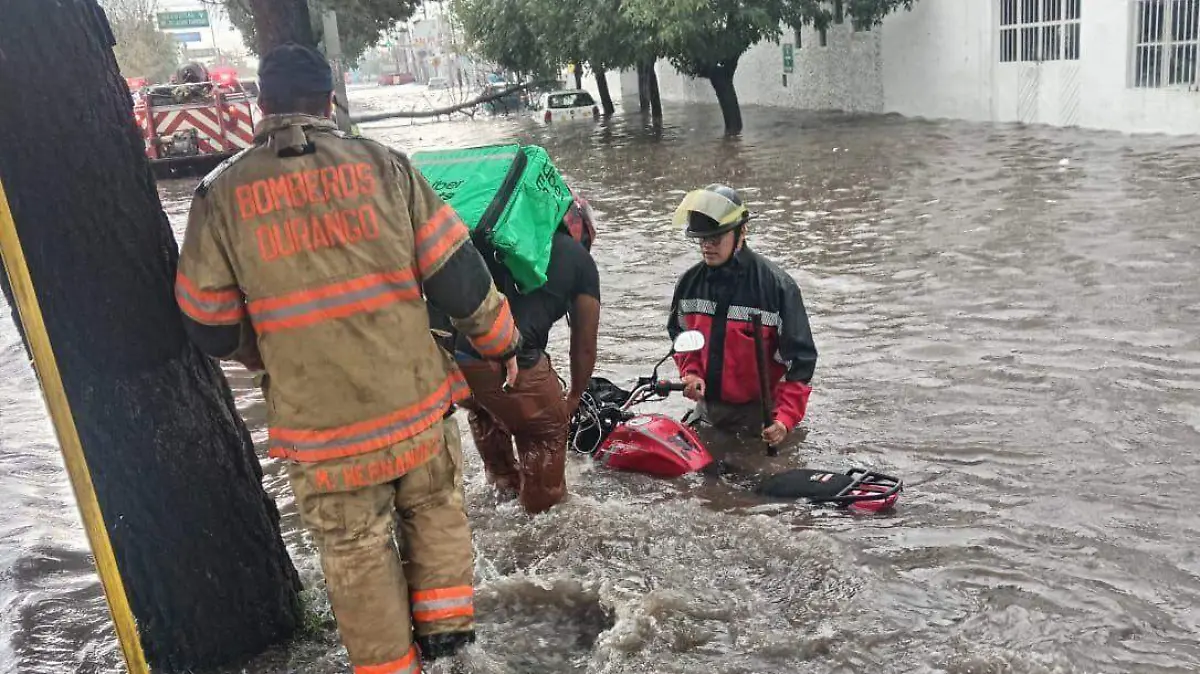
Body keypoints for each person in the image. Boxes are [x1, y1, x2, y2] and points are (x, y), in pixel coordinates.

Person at [174, 42, 520, 673]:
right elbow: (457, 277)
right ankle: (452, 649)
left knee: (354, 550)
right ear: (329, 102)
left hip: (322, 430)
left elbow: (209, 326)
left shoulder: (219, 195)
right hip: (413, 407)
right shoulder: (386, 167)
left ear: (262, 106)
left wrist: (268, 348)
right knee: (434, 507)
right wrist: (504, 345)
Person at [440, 190, 601, 515]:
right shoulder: (580, 260)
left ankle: (500, 490)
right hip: (511, 359)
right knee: (545, 433)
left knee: (485, 410)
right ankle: (537, 537)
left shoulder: (499, 240)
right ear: (580, 227)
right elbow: (583, 345)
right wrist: (572, 397)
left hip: (457, 362)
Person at [667, 184, 818, 449]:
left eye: (715, 238)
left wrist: (784, 420)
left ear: (741, 232)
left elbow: (801, 362)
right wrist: (691, 374)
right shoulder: (689, 284)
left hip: (762, 418)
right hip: (708, 413)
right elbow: (681, 337)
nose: (707, 247)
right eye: (702, 239)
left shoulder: (777, 287)